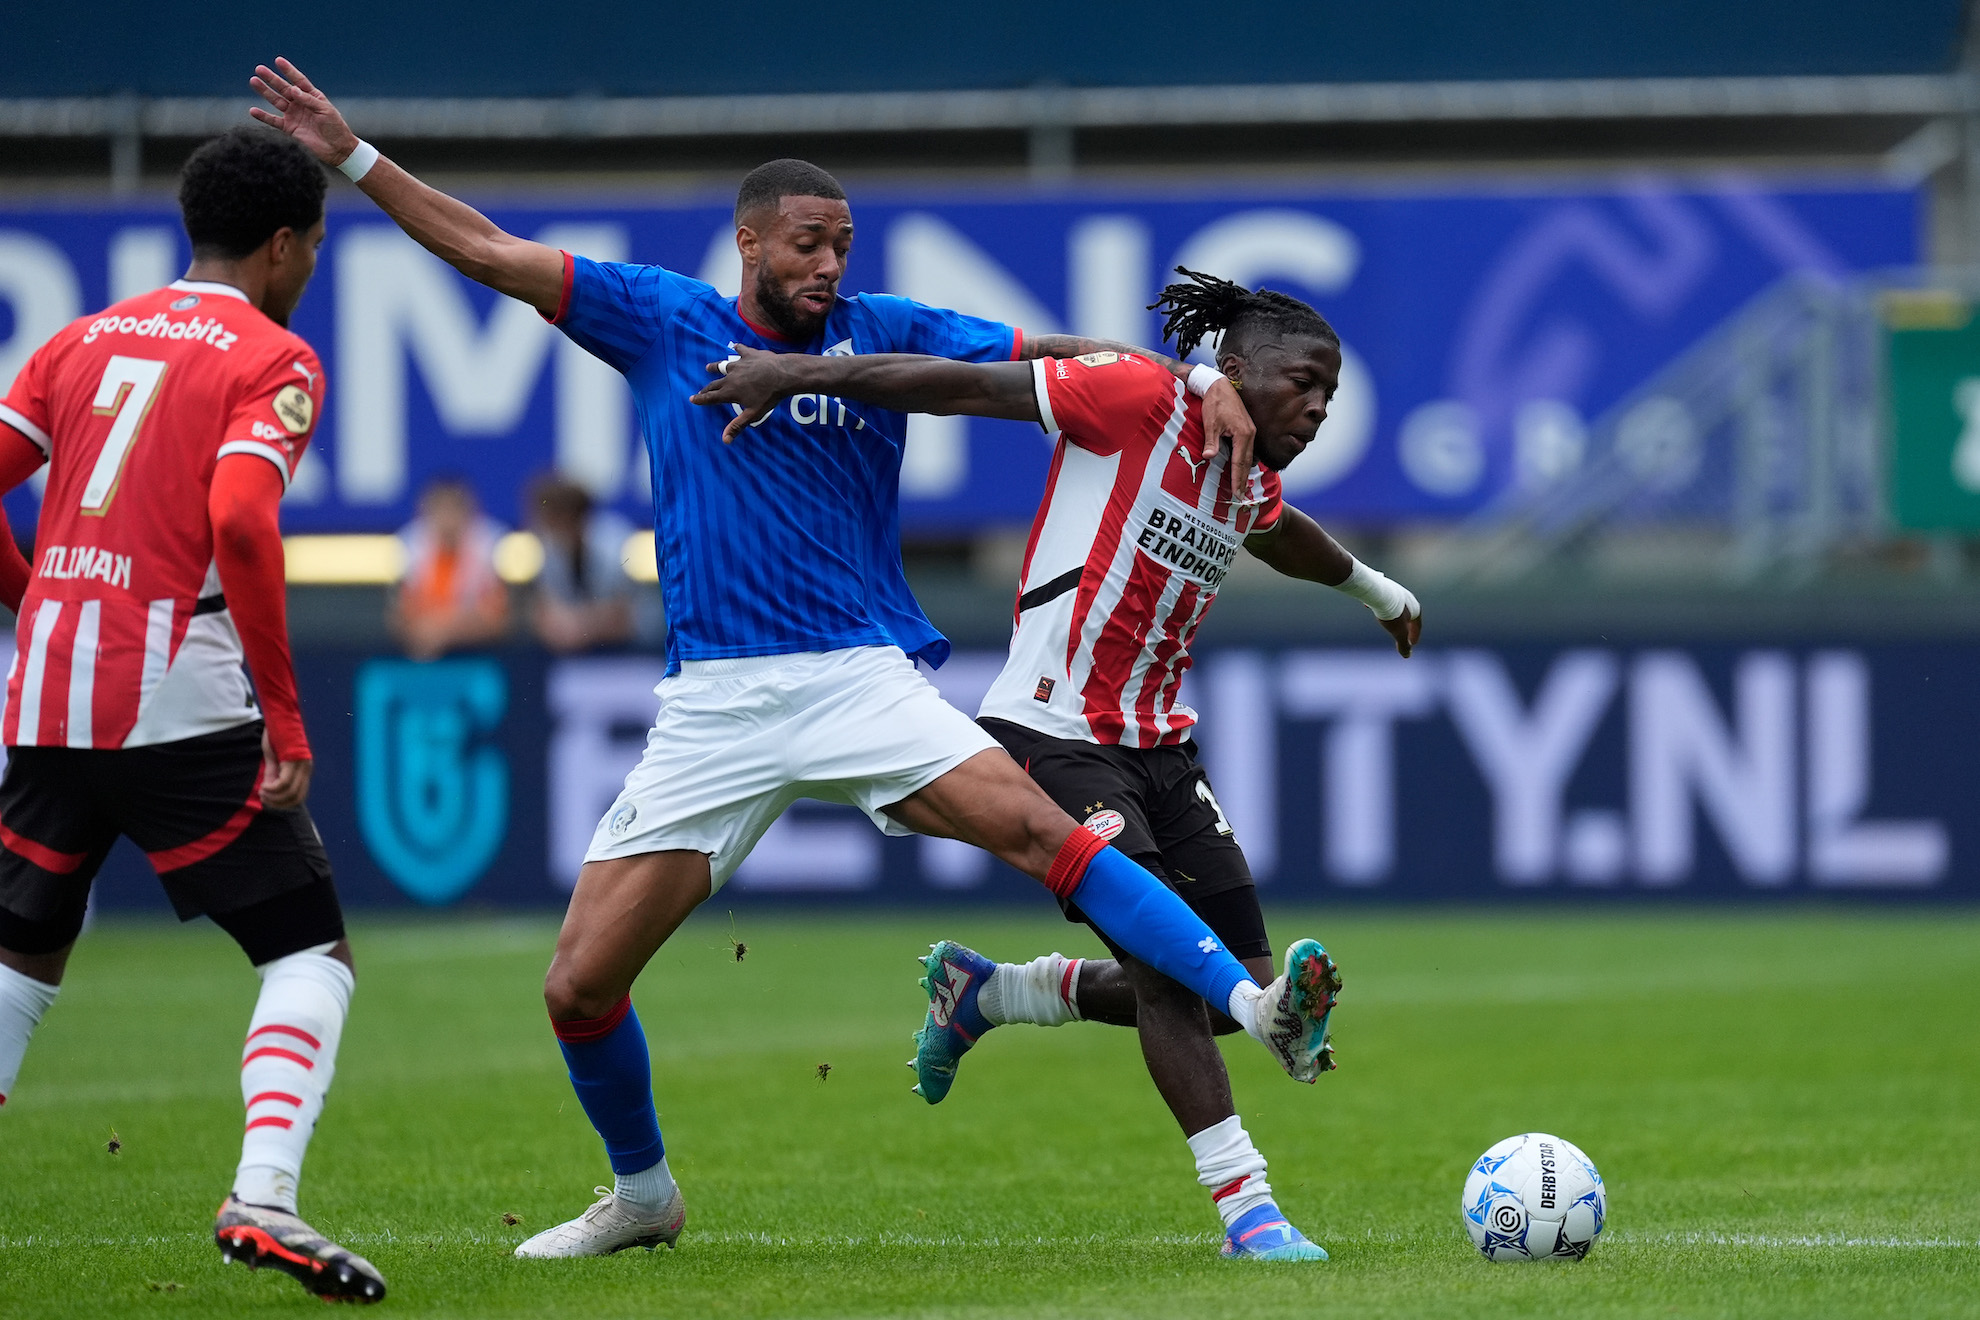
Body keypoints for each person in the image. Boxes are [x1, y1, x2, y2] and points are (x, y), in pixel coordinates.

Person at [250, 57, 1343, 1259]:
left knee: (1048, 832)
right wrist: (351, 157)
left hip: (859, 677)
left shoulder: (884, 336)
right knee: (577, 988)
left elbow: (1075, 357)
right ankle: (645, 1196)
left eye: (845, 245)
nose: (831, 267)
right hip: (714, 703)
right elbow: (489, 251)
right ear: (750, 242)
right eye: (810, 245)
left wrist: (1201, 377)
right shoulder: (663, 318)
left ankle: (1250, 1004)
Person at [694, 267, 1423, 1262]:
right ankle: (1247, 1210)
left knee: (1241, 988)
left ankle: (991, 994)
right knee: (1176, 974)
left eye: (1332, 395)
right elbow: (960, 383)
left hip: (1161, 742)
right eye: (1305, 383)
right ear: (1236, 366)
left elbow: (1280, 533)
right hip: (1056, 732)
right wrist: (799, 370)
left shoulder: (1248, 473)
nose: (1319, 408)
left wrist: (1379, 592)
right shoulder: (1132, 396)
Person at [0, 127, 385, 1302]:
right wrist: (286, 713)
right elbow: (241, 523)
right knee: (308, 953)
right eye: (313, 248)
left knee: (20, 958)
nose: (311, 268)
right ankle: (262, 1196)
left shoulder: (79, 339)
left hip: (52, 687)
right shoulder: (272, 358)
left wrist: (36, 600)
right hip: (181, 692)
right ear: (281, 245)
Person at [389, 474, 510, 659]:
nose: (448, 519)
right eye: (440, 510)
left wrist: (443, 632)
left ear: (469, 512)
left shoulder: (491, 545)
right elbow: (399, 620)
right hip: (423, 655)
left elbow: (498, 622)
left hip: (479, 656)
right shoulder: (409, 545)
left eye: (454, 509)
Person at [524, 472, 642, 653]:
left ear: (568, 518)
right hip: (571, 653)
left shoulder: (615, 543)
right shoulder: (546, 547)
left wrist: (579, 627)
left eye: (550, 519)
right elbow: (544, 612)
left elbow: (624, 617)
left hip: (633, 652)